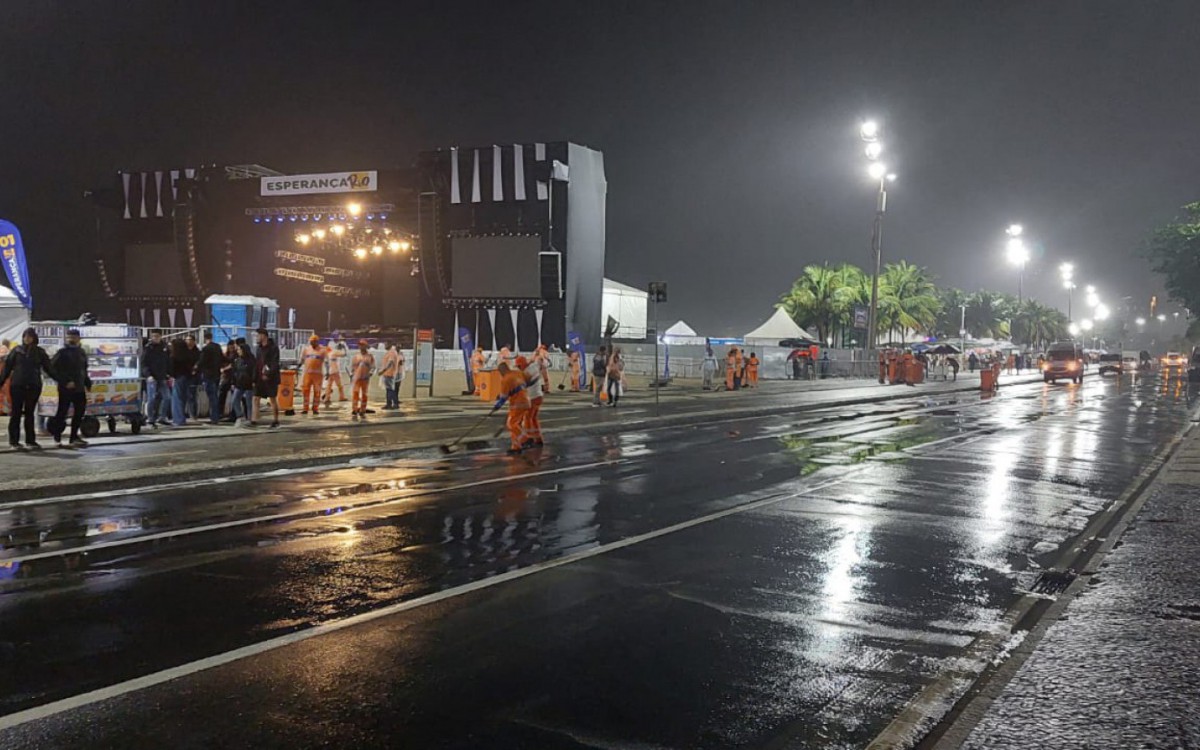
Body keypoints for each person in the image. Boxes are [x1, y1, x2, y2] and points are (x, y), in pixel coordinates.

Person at [0, 328, 54, 449]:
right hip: (17, 385)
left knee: (30, 414)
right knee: (16, 413)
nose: (27, 338)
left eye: (29, 336)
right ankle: (14, 441)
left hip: (33, 385)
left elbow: (49, 368)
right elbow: (7, 368)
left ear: (34, 338)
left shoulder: (40, 352)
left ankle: (30, 440)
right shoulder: (17, 351)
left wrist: (61, 380)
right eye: (25, 336)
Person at [49, 328, 92, 447]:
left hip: (79, 387)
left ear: (78, 338)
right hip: (65, 388)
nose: (71, 339)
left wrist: (87, 383)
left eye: (74, 337)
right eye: (69, 337)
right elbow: (51, 369)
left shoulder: (82, 352)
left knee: (79, 412)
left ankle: (74, 437)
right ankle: (57, 437)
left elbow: (84, 370)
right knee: (62, 412)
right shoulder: (62, 352)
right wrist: (65, 381)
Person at [495, 361, 530, 454]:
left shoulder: (506, 379)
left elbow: (503, 397)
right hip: (526, 401)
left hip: (518, 404)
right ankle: (516, 447)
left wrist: (497, 405)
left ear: (502, 371)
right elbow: (528, 379)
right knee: (516, 424)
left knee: (511, 424)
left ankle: (525, 439)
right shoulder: (518, 373)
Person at [142, 329, 170, 426]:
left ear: (161, 336)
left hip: (162, 376)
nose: (155, 338)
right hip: (151, 377)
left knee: (167, 397)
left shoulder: (165, 347)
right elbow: (144, 363)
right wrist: (148, 375)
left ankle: (162, 417)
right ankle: (150, 418)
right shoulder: (148, 348)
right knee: (151, 398)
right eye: (153, 336)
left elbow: (167, 361)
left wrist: (168, 374)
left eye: (157, 336)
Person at [254, 327, 281, 428]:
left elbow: (274, 363)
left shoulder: (273, 348)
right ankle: (255, 420)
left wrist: (268, 374)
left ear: (263, 336)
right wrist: (255, 377)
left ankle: (276, 420)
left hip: (271, 378)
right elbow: (257, 363)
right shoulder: (259, 348)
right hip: (260, 377)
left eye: (258, 335)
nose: (256, 337)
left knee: (272, 398)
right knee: (256, 397)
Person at [197, 331, 224, 425]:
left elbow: (201, 361)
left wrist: (196, 368)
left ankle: (214, 418)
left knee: (212, 397)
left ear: (205, 338)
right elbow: (222, 358)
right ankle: (216, 416)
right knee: (215, 395)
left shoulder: (206, 349)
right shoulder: (217, 347)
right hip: (216, 374)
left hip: (208, 375)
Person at [518, 354, 544, 447]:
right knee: (534, 418)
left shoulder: (525, 373)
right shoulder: (534, 367)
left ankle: (529, 438)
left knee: (528, 418)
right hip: (539, 396)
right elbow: (538, 361)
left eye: (519, 366)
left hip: (532, 398)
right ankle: (538, 438)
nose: (518, 368)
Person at [231, 339, 256, 428]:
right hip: (239, 383)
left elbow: (254, 371)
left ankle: (249, 419)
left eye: (239, 350)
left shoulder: (251, 360)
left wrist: (254, 381)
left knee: (249, 403)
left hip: (249, 384)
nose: (238, 351)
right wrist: (233, 382)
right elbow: (234, 371)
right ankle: (240, 416)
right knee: (234, 400)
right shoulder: (237, 360)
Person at [299, 335, 327, 415]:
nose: (312, 343)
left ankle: (315, 408)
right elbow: (302, 359)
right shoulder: (306, 349)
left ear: (317, 341)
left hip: (318, 375)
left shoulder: (322, 350)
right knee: (305, 391)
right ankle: (305, 408)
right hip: (307, 374)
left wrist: (328, 371)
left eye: (313, 341)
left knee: (317, 392)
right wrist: (298, 366)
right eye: (311, 341)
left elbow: (327, 361)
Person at [168, 338, 194, 427]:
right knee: (183, 399)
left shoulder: (174, 356)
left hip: (178, 378)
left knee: (176, 399)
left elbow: (171, 369)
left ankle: (178, 419)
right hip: (186, 378)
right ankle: (182, 418)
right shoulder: (188, 355)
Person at [350, 339, 374, 418]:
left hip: (365, 378)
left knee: (364, 394)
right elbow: (353, 367)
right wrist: (351, 374)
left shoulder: (370, 356)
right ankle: (355, 409)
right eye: (360, 345)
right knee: (355, 394)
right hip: (357, 379)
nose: (361, 347)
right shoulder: (356, 356)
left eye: (362, 345)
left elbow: (373, 367)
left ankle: (362, 410)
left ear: (366, 346)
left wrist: (370, 373)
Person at [217, 339, 238, 423]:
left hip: (233, 378)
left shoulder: (236, 355)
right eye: (230, 346)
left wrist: (224, 369)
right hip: (226, 377)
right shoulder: (226, 354)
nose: (231, 348)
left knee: (234, 397)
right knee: (222, 395)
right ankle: (219, 413)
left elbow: (233, 365)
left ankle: (233, 415)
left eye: (232, 346)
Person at [323, 336, 348, 406]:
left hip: (330, 371)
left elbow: (326, 364)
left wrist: (327, 372)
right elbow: (344, 354)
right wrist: (344, 346)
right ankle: (341, 397)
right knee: (339, 385)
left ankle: (327, 398)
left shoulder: (328, 354)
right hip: (335, 371)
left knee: (329, 385)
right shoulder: (334, 352)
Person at [183, 334, 201, 418]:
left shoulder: (197, 352)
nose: (188, 341)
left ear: (194, 341)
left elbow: (200, 363)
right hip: (183, 376)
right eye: (187, 340)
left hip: (193, 377)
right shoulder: (183, 351)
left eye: (190, 339)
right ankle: (182, 414)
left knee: (192, 396)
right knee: (182, 396)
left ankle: (193, 414)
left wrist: (195, 368)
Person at [379, 342, 401, 410]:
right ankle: (391, 404)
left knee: (390, 390)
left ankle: (391, 404)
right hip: (389, 373)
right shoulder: (391, 352)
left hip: (389, 374)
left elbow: (390, 362)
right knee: (390, 390)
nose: (385, 346)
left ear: (390, 345)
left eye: (386, 344)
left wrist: (383, 370)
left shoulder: (392, 352)